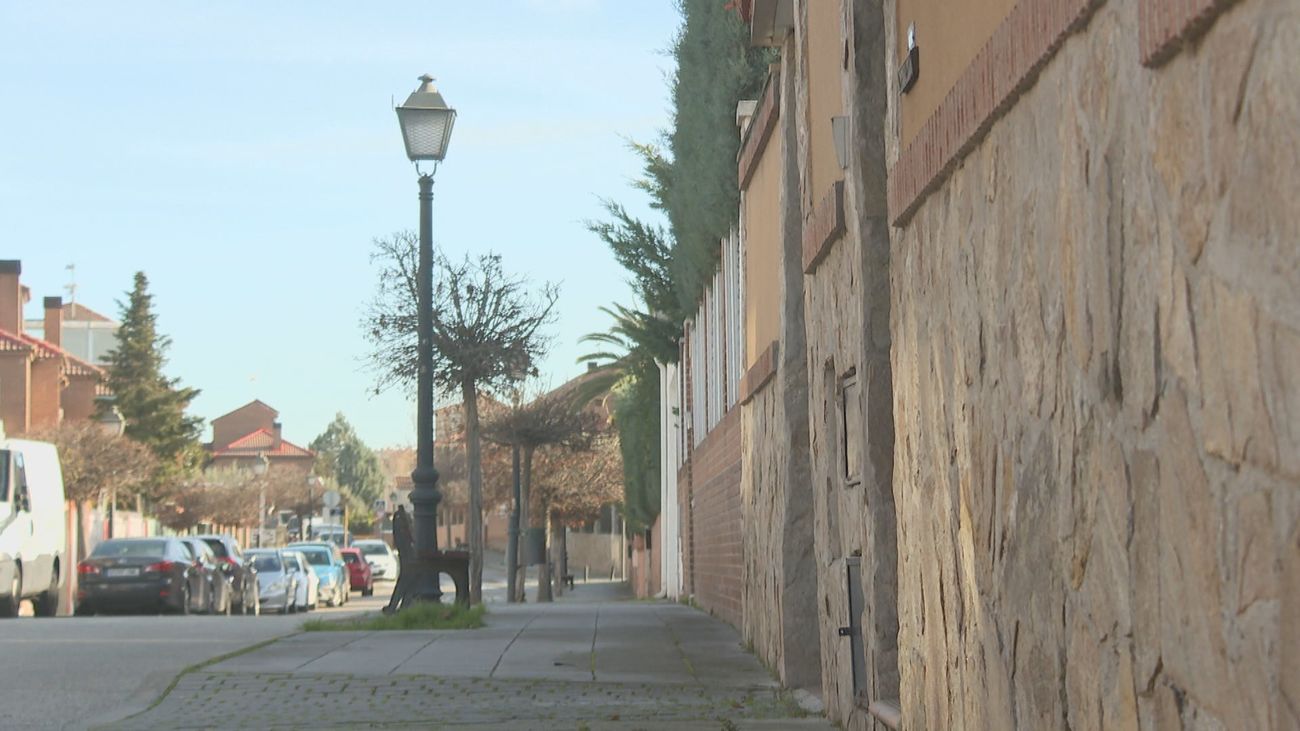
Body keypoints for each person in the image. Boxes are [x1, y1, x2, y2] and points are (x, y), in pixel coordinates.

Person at [383, 506, 414, 614]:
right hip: (408, 557)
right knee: (407, 582)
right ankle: (399, 607)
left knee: (406, 583)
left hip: (406, 557)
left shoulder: (398, 521)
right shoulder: (402, 522)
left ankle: (398, 606)